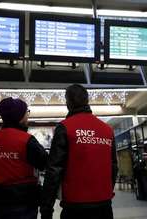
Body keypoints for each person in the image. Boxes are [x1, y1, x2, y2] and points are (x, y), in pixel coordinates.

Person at [40, 84, 118, 219]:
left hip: (75, 206)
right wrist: (106, 191)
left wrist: (47, 207)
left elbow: (54, 170)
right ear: (87, 100)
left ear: (68, 102)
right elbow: (113, 166)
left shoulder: (65, 128)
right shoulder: (107, 130)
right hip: (104, 205)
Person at [0, 97, 48, 219]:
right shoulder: (26, 139)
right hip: (24, 202)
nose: (28, 116)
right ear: (20, 117)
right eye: (27, 112)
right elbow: (44, 162)